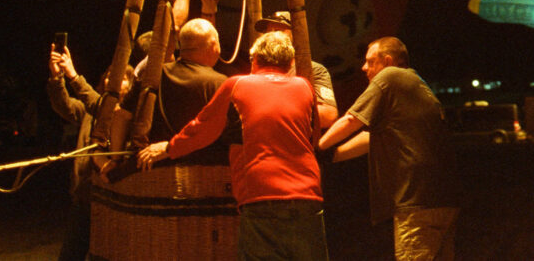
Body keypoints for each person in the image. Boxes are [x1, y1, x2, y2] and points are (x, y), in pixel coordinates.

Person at [137, 31, 331, 261]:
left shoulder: (237, 85)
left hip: (262, 193)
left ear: (255, 60)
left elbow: (203, 127)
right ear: (290, 62)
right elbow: (312, 136)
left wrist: (169, 148)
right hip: (308, 195)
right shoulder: (305, 87)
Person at [319, 37, 458, 261]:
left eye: (370, 61)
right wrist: (332, 156)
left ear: (388, 61)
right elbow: (371, 137)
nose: (364, 68)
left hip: (416, 201)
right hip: (443, 199)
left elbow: (351, 121)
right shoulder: (415, 84)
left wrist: (318, 146)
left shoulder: (390, 76)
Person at [47, 43, 133, 261]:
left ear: (131, 86)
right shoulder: (89, 112)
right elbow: (64, 105)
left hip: (113, 199)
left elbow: (104, 108)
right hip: (84, 197)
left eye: (121, 77)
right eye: (109, 75)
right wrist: (57, 78)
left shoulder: (128, 116)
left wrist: (74, 75)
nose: (111, 80)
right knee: (70, 255)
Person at [111, 18, 228, 164]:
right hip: (201, 172)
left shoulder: (151, 75)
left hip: (149, 166)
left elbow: (121, 115)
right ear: (213, 45)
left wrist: (115, 159)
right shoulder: (220, 84)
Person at [254, 11, 338, 123]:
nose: (271, 37)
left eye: (278, 31)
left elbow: (328, 115)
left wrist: (277, 109)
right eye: (268, 32)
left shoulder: (314, 70)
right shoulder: (256, 68)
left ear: (295, 34)